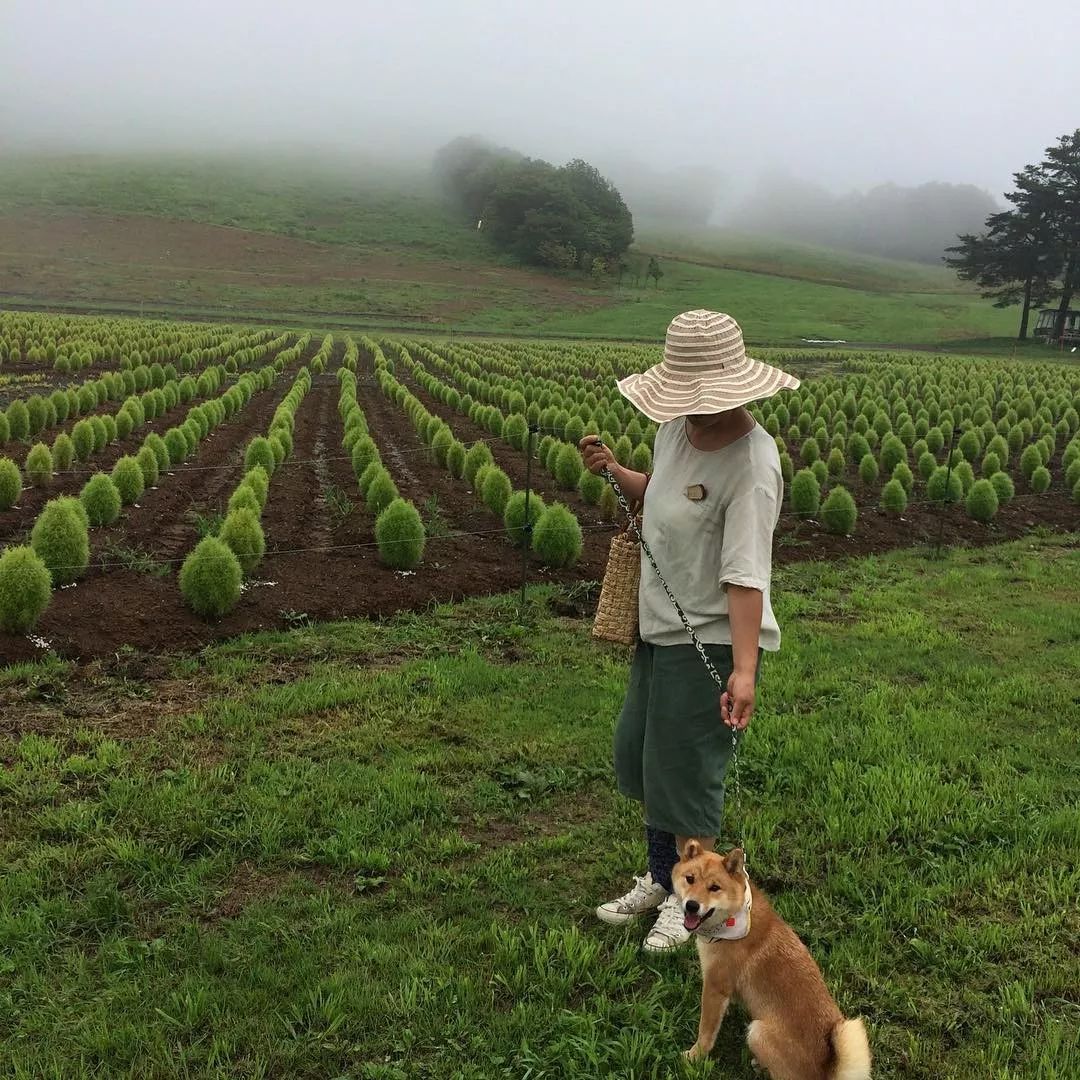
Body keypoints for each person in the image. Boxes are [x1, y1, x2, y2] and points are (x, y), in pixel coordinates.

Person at [581, 309, 800, 953]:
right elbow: (664, 494)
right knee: (643, 758)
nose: (693, 408)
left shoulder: (753, 465)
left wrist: (744, 668)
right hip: (657, 626)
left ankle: (693, 901)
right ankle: (661, 876)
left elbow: (745, 573)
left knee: (685, 773)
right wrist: (616, 473)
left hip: (707, 637)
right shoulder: (676, 432)